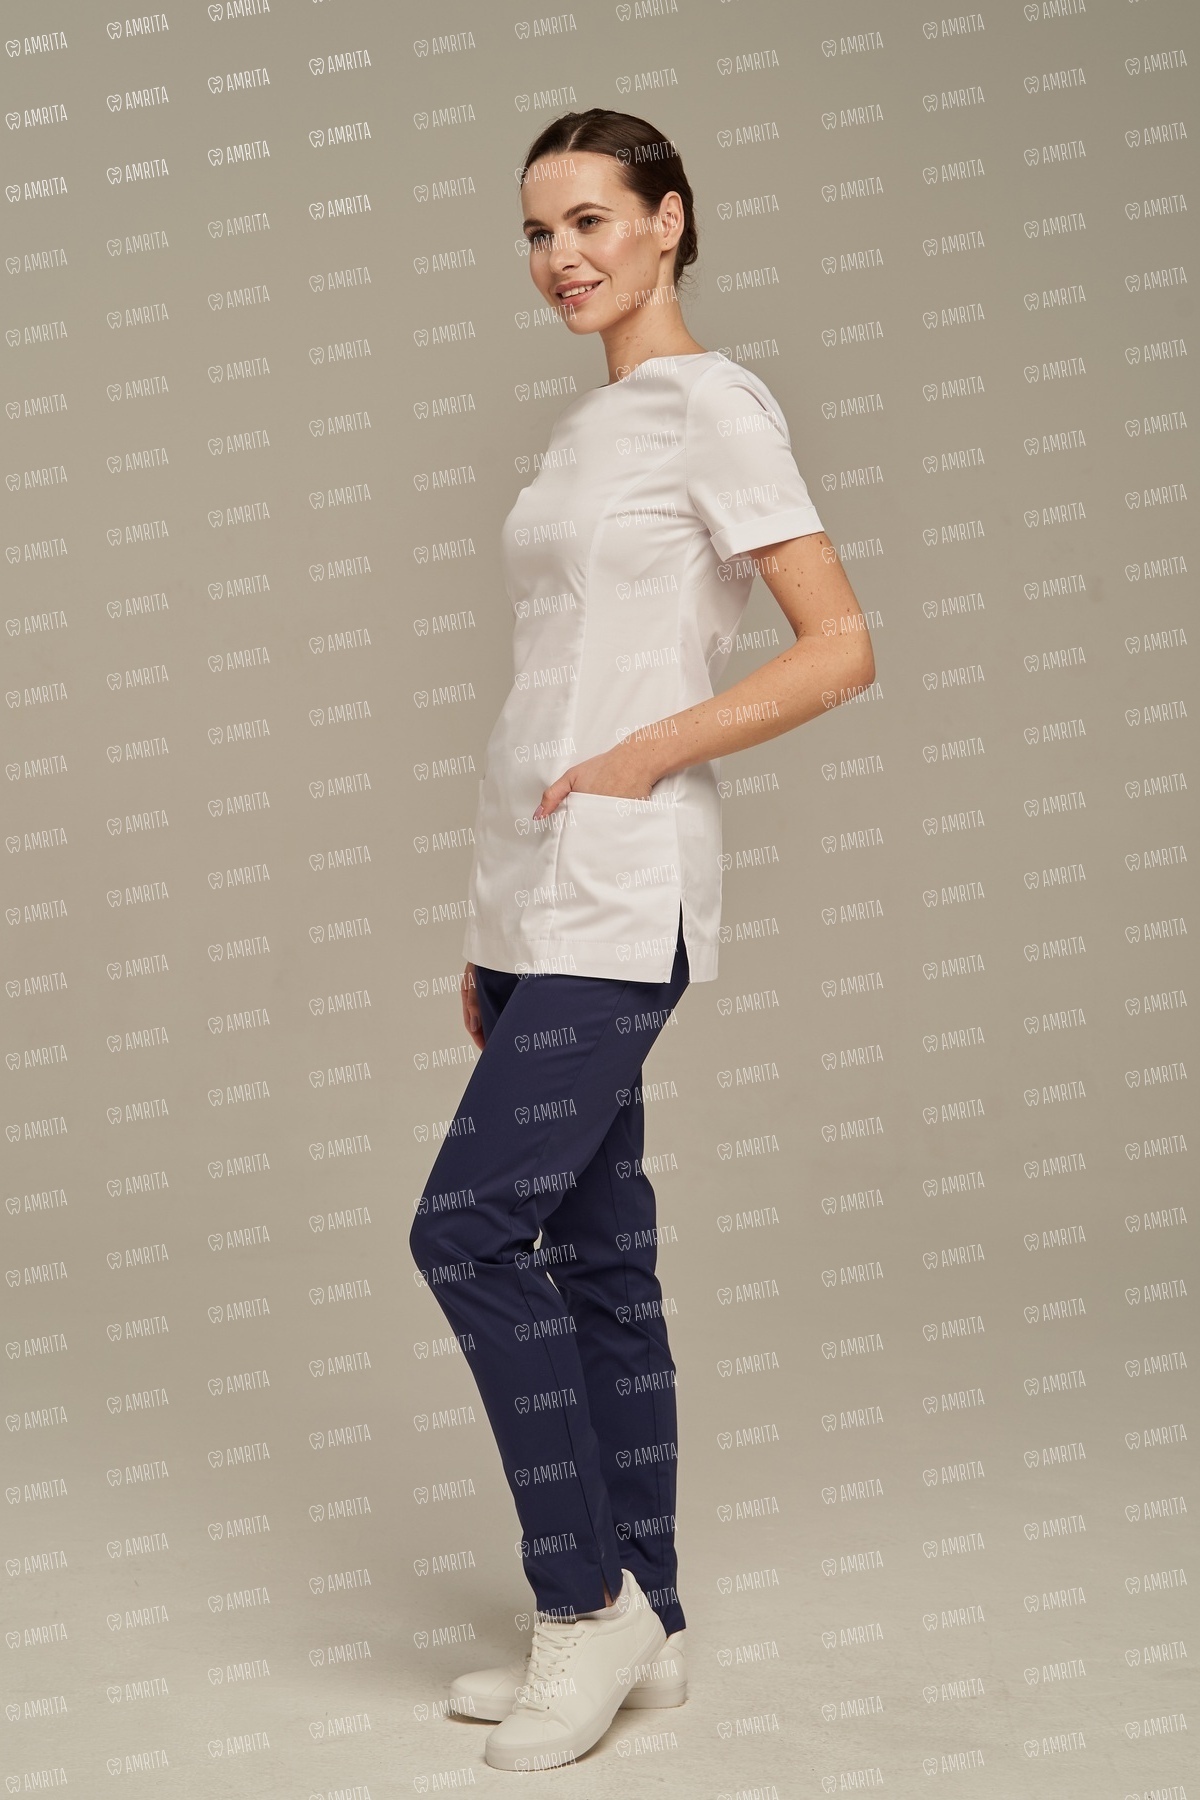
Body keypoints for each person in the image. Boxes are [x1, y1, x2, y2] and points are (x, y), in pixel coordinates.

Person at [409, 108, 875, 1773]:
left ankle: (581, 1603)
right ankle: (654, 1621)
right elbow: (552, 679)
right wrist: (490, 924)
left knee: (467, 1233)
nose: (563, 257)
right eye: (538, 232)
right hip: (531, 896)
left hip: (620, 891)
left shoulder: (712, 404)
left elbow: (837, 646)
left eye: (593, 220)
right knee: (600, 1259)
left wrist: (646, 757)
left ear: (669, 222)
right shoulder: (581, 431)